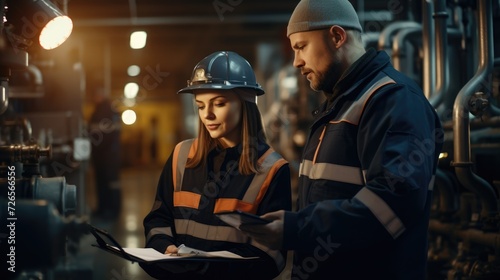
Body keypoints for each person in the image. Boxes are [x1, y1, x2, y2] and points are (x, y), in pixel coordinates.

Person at [240, 0, 444, 279]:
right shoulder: (339, 104)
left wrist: (298, 229)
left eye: (301, 47)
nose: (296, 61)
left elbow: (392, 204)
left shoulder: (392, 101)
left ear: (337, 36)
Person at [141, 51, 292, 280]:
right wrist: (163, 246)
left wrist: (204, 269)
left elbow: (271, 257)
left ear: (246, 104)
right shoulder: (181, 156)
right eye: (200, 106)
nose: (207, 115)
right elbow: (159, 218)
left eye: (218, 103)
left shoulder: (271, 169)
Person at [89, 88, 122, 220]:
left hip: (108, 156)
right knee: (103, 184)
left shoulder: (107, 111)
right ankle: (104, 209)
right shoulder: (104, 110)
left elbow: (106, 134)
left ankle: (111, 210)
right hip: (105, 156)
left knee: (109, 183)